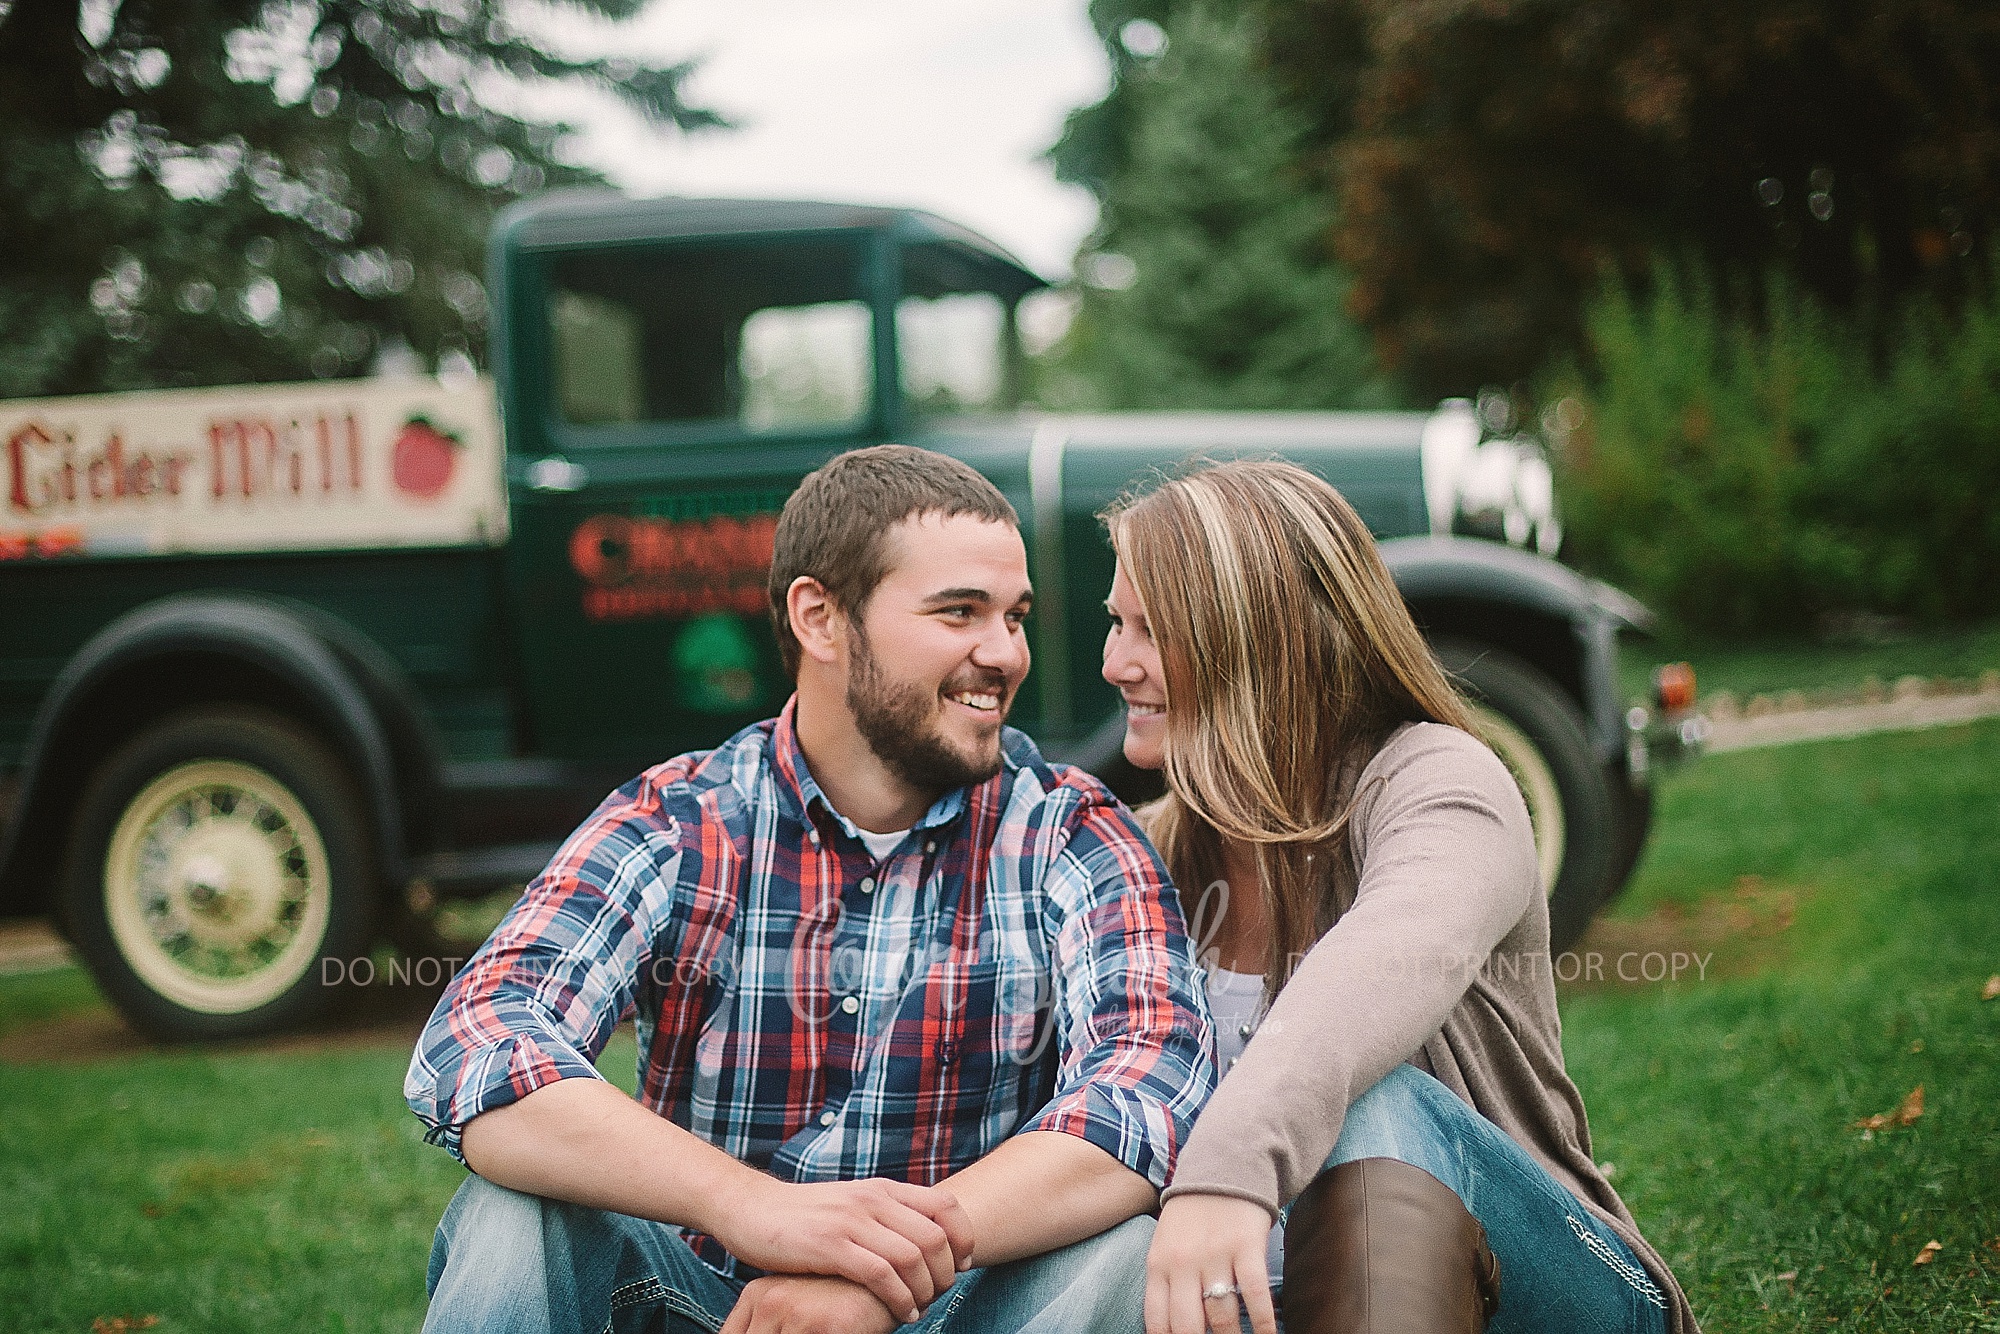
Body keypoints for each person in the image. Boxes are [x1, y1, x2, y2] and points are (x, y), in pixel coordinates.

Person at [405, 444, 1215, 1334]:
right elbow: (480, 1043)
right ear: (821, 619)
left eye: (1015, 616)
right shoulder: (682, 821)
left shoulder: (1070, 830)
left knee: (1124, 1260)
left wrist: (874, 1271)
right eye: (959, 613)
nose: (1005, 653)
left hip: (957, 1305)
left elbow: (1147, 1092)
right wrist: (752, 1208)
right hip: (710, 1305)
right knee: (513, 1216)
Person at [1098, 460, 1697, 1334]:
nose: (1116, 663)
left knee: (1379, 1108)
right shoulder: (1148, 852)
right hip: (1284, 1292)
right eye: (1115, 624)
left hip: (1557, 1285)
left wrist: (1226, 1170)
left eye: (1150, 631)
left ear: (1255, 638)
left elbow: (1388, 960)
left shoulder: (1443, 785)